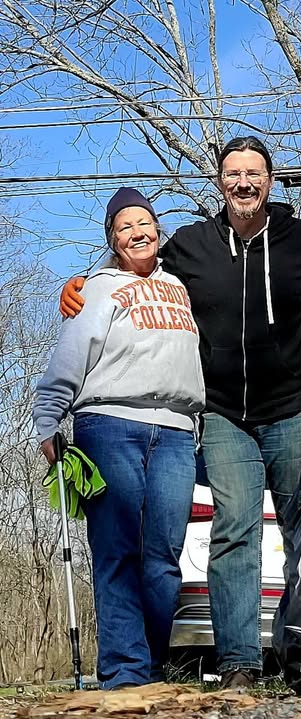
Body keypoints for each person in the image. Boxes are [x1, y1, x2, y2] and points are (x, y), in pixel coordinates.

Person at [58, 137, 301, 687]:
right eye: (232, 173)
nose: (243, 183)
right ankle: (238, 663)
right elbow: (135, 260)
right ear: (219, 182)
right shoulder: (192, 245)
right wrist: (82, 284)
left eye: (253, 172)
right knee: (234, 531)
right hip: (224, 415)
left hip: (292, 409)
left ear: (270, 179)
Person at [34, 188, 205, 688]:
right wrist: (49, 421)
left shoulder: (180, 285)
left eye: (145, 223)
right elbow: (71, 354)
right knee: (117, 552)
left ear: (159, 231)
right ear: (113, 239)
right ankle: (124, 674)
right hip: (109, 426)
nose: (138, 232)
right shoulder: (101, 289)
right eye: (125, 226)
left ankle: (151, 666)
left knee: (163, 557)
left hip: (175, 431)